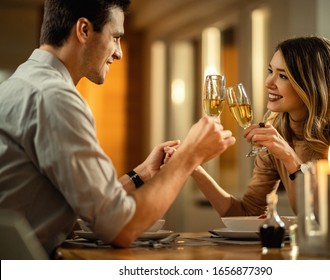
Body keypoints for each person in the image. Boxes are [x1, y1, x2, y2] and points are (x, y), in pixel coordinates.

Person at [0, 0, 236, 257]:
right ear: (84, 30)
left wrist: (143, 173)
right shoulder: (55, 98)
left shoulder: (19, 84)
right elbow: (120, 228)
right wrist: (190, 156)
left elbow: (94, 205)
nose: (119, 53)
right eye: (115, 37)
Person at [186, 36, 330, 238]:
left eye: (283, 76)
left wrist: (290, 158)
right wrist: (192, 166)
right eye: (270, 71)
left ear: (310, 84)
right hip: (322, 248)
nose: (268, 83)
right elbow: (247, 213)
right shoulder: (279, 132)